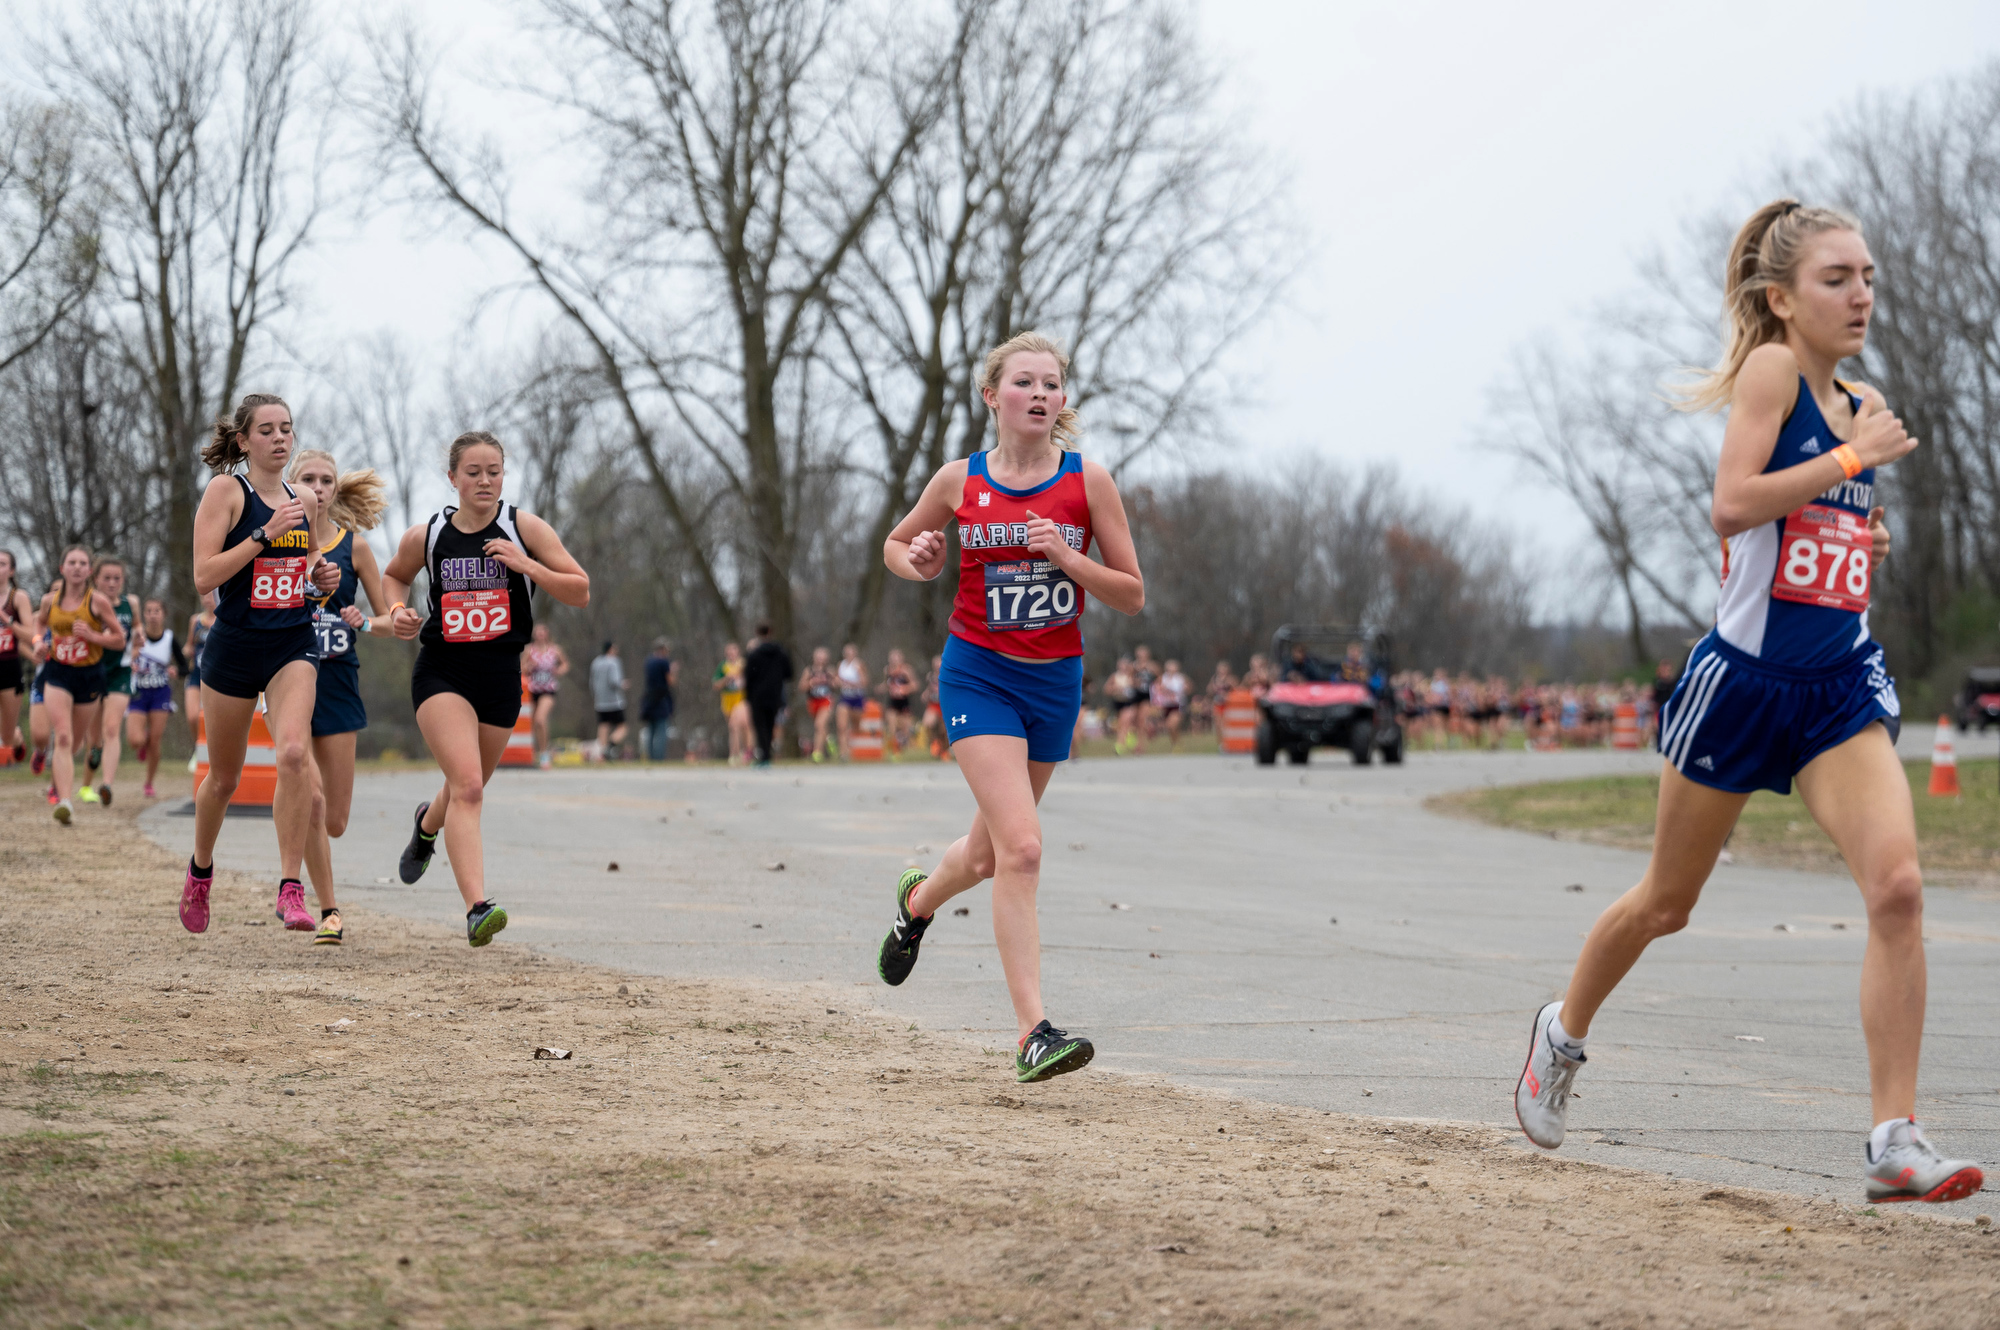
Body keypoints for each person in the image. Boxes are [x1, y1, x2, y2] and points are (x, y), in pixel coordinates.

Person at [1513, 199, 1982, 1205]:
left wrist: (1862, 534)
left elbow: (1819, 531)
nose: (1859, 293)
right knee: (1665, 904)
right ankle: (1560, 1034)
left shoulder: (1862, 401)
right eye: (1834, 278)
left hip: (1833, 690)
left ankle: (1892, 1139)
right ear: (1780, 299)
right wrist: (1848, 465)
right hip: (1740, 685)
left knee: (1896, 887)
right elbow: (1730, 504)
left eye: (1865, 275)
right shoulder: (1772, 373)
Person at [876, 330, 1145, 1083]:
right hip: (979, 676)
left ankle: (918, 901)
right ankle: (1034, 1032)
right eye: (1023, 382)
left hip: (1054, 683)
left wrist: (1066, 556)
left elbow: (1131, 592)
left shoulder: (1087, 482)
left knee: (990, 853)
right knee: (1022, 849)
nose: (1039, 394)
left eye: (1051, 384)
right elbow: (897, 545)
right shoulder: (959, 482)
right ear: (992, 396)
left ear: (1061, 401)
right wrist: (920, 563)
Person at [387, 430, 590, 946]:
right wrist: (396, 610)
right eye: (472, 472)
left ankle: (426, 826)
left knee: (465, 784)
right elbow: (395, 576)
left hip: (501, 675)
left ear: (504, 474)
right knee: (470, 787)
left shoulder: (524, 528)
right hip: (443, 671)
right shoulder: (429, 535)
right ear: (452, 477)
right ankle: (478, 907)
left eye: (493, 471)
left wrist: (526, 566)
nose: (484, 480)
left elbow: (581, 590)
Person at [181, 393, 338, 932]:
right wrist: (262, 534)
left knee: (294, 753)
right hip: (235, 646)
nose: (279, 438)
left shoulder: (306, 498)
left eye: (286, 429)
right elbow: (205, 577)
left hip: (292, 642)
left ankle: (290, 887)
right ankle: (200, 872)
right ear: (244, 441)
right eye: (266, 430)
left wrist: (321, 574)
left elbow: (309, 556)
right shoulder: (228, 491)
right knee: (223, 778)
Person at [291, 448, 393, 945]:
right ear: (291, 484)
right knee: (308, 797)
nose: (316, 487)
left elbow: (391, 619)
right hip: (288, 680)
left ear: (334, 489)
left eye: (324, 480)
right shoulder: (274, 542)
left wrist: (368, 621)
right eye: (306, 478)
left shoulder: (354, 549)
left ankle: (313, 879)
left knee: (334, 820)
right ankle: (327, 908)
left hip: (338, 684)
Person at [35, 546, 126, 824]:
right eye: (71, 562)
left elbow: (120, 638)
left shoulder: (97, 602)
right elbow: (38, 625)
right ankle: (65, 802)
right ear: (62, 568)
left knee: (74, 742)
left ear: (89, 571)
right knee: (61, 736)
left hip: (89, 675)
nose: (77, 567)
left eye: (82, 563)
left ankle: (59, 782)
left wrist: (92, 636)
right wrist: (39, 644)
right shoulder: (49, 601)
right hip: (58, 673)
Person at [79, 557, 144, 807]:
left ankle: (106, 785)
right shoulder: (87, 604)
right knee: (94, 739)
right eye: (106, 578)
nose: (112, 583)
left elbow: (137, 627)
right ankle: (85, 785)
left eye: (117, 578)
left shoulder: (131, 603)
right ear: (95, 579)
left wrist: (138, 637)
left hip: (120, 672)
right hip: (92, 671)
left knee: (111, 729)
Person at [125, 598, 182, 800]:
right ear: (144, 614)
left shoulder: (169, 638)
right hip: (138, 692)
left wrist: (176, 669)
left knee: (156, 741)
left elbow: (184, 666)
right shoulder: (136, 637)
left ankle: (149, 783)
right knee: (135, 740)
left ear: (163, 614)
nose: (152, 614)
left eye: (156, 610)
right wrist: (129, 664)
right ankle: (143, 741)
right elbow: (123, 659)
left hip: (160, 693)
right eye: (148, 611)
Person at [0, 549, 34, 764]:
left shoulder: (18, 597)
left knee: (7, 737)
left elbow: (31, 635)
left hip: (9, 668)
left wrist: (7, 620)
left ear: (11, 571)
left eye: (2, 564)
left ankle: (17, 738)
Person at [742, 624, 792, 767]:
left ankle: (764, 756)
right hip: (775, 695)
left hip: (757, 696)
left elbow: (748, 677)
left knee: (760, 726)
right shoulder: (781, 653)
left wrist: (748, 697)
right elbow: (789, 673)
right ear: (771, 632)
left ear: (757, 633)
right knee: (770, 725)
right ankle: (767, 755)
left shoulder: (754, 654)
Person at [522, 623, 570, 768]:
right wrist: (529, 666)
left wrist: (559, 670)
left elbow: (565, 664)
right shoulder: (529, 650)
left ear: (547, 633)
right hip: (532, 690)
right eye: (537, 632)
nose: (540, 634)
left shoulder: (555, 650)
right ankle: (535, 751)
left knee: (540, 720)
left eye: (542, 632)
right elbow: (521, 668)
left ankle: (544, 754)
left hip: (548, 689)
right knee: (534, 724)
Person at [183, 589, 215, 750]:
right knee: (192, 716)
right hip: (196, 674)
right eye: (204, 596)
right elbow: (188, 646)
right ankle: (198, 748)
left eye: (211, 595)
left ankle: (212, 750)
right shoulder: (195, 621)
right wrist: (186, 651)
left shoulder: (223, 620)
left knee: (213, 719)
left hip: (216, 676)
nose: (207, 599)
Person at [639, 637, 678, 762]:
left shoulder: (648, 661)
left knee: (650, 731)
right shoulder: (663, 662)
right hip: (661, 699)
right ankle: (659, 758)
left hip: (649, 698)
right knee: (661, 731)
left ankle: (650, 757)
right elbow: (670, 681)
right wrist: (673, 671)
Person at [712, 641, 749, 764]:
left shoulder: (743, 664)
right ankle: (741, 752)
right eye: (729, 652)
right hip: (727, 699)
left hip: (741, 699)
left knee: (736, 726)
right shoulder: (723, 666)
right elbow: (716, 685)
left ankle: (735, 754)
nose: (731, 654)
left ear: (737, 652)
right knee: (733, 728)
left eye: (733, 651)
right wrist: (727, 678)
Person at [590, 641, 628, 760]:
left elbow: (592, 682)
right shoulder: (614, 661)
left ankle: (601, 753)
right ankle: (610, 746)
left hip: (600, 700)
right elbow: (614, 681)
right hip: (614, 701)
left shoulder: (596, 662)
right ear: (611, 649)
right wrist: (623, 684)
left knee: (603, 726)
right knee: (622, 728)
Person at [801, 646, 837, 761]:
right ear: (814, 658)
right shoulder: (809, 671)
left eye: (823, 657)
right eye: (818, 657)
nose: (820, 660)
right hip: (813, 701)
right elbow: (801, 687)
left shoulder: (830, 670)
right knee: (821, 727)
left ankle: (817, 753)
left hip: (826, 701)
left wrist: (830, 680)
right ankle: (829, 739)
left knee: (819, 725)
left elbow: (837, 684)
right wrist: (812, 682)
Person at [880, 647, 919, 754]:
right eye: (892, 658)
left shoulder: (906, 670)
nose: (894, 660)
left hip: (904, 702)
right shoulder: (887, 670)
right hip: (892, 701)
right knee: (891, 725)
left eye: (896, 658)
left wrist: (904, 689)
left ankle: (905, 749)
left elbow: (915, 685)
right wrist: (881, 688)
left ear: (901, 658)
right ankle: (894, 750)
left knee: (905, 729)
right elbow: (886, 685)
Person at [835, 642, 868, 759]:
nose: (849, 654)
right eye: (847, 652)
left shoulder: (858, 665)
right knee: (841, 726)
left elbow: (864, 683)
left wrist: (852, 684)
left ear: (855, 653)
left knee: (856, 727)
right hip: (845, 698)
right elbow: (837, 680)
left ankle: (852, 744)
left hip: (857, 698)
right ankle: (843, 753)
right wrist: (837, 682)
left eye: (851, 652)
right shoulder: (841, 665)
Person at [1152, 658, 1190, 751]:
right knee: (1170, 727)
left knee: (1171, 725)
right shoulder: (1163, 678)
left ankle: (1176, 744)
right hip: (1166, 705)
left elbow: (1189, 688)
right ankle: (1176, 743)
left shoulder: (1181, 678)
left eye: (1173, 667)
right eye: (1169, 667)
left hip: (1177, 705)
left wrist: (1184, 689)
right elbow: (1156, 689)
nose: (1171, 669)